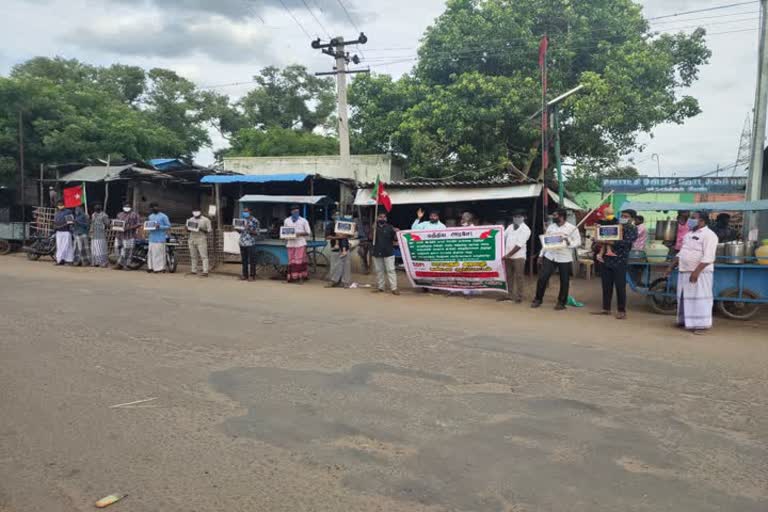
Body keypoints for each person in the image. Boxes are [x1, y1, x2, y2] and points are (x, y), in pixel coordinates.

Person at [666, 210, 718, 334]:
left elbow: (709, 257)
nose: (690, 219)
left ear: (702, 220)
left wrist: (696, 272)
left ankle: (701, 325)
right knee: (684, 297)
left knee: (700, 298)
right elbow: (682, 252)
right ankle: (685, 321)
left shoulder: (709, 235)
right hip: (684, 270)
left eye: (694, 218)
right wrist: (671, 267)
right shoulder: (689, 234)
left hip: (700, 273)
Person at [531, 208, 581, 310]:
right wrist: (541, 255)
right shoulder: (551, 227)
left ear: (561, 217)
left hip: (565, 257)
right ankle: (538, 299)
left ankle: (561, 303)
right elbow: (545, 242)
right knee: (542, 278)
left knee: (564, 281)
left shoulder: (572, 228)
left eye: (555, 215)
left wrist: (568, 241)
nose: (553, 217)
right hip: (550, 255)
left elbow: (578, 242)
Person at [592, 209, 638, 319]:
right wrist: (598, 238)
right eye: (622, 215)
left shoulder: (632, 229)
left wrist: (608, 241)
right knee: (606, 285)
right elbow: (602, 234)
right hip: (606, 260)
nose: (623, 217)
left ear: (632, 218)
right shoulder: (615, 225)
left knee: (620, 286)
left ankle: (622, 311)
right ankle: (606, 308)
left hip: (620, 260)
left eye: (626, 216)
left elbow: (626, 242)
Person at [499, 210, 531, 303]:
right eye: (515, 216)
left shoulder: (526, 229)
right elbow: (502, 237)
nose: (516, 218)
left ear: (523, 218)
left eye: (519, 216)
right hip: (507, 256)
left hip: (519, 257)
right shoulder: (510, 227)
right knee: (509, 276)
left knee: (519, 276)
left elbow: (519, 245)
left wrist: (508, 255)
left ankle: (519, 296)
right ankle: (509, 295)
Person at [371, 211, 399, 295]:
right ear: (377, 218)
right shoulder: (374, 228)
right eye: (380, 217)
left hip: (388, 252)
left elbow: (395, 239)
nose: (382, 218)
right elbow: (370, 238)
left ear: (386, 218)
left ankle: (394, 288)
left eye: (384, 217)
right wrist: (373, 228)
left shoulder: (390, 227)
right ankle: (381, 287)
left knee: (391, 270)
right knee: (379, 271)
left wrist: (397, 232)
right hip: (377, 251)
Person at [283, 205, 311, 283]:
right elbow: (285, 231)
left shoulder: (303, 221)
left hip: (300, 243)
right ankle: (290, 277)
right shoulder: (287, 220)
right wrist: (285, 236)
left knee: (299, 260)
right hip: (290, 243)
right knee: (291, 260)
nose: (295, 213)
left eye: (297, 211)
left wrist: (298, 234)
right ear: (291, 212)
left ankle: (300, 277)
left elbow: (308, 232)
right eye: (294, 211)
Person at [114, 202, 141, 270]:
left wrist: (130, 228)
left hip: (129, 236)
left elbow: (138, 224)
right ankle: (119, 264)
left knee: (128, 251)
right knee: (118, 249)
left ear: (131, 207)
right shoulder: (119, 214)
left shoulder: (135, 215)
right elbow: (116, 223)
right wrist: (114, 226)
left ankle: (127, 265)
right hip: (119, 235)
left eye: (128, 206)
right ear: (123, 207)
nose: (127, 208)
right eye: (125, 206)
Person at [146, 203, 171, 273]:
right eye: (152, 208)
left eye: (155, 207)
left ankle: (159, 268)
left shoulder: (163, 216)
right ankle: (150, 267)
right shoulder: (150, 216)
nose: (154, 208)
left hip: (160, 238)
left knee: (159, 254)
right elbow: (149, 225)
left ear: (158, 207)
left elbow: (168, 226)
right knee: (150, 253)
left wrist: (159, 226)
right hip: (151, 238)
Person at [186, 209, 212, 277]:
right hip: (192, 238)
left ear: (200, 212)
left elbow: (209, 231)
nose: (196, 213)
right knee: (193, 256)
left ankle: (205, 271)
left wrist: (200, 229)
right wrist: (187, 228)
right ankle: (193, 270)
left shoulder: (206, 220)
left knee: (204, 256)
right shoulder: (190, 219)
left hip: (201, 239)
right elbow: (187, 230)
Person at [238, 208, 260, 281]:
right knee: (244, 260)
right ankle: (245, 275)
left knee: (252, 260)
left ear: (250, 212)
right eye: (244, 211)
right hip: (242, 242)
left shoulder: (255, 221)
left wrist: (249, 229)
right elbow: (240, 232)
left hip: (251, 243)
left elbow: (257, 233)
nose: (245, 213)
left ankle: (252, 276)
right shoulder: (242, 220)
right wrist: (238, 229)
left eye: (246, 211)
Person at [53, 201, 75, 265]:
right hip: (58, 233)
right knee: (59, 247)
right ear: (57, 206)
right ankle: (60, 260)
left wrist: (60, 226)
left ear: (64, 205)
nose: (60, 206)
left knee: (67, 246)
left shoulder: (68, 212)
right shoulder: (57, 213)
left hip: (66, 232)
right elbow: (55, 222)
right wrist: (55, 226)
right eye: (59, 205)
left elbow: (70, 222)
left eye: (61, 204)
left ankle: (69, 260)